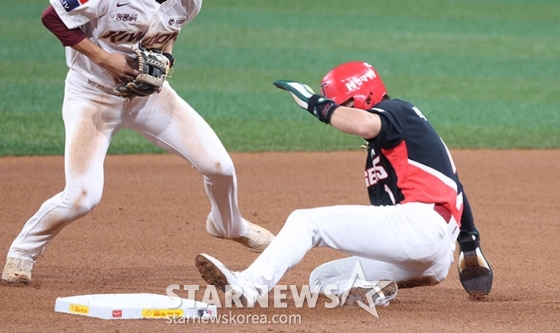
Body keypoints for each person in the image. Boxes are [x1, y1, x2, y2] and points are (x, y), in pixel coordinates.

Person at [2, 0, 274, 285]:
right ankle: (22, 253)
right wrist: (106, 60)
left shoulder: (190, 0)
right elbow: (52, 17)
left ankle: (229, 225)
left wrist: (164, 63)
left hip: (149, 98)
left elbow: (165, 41)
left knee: (220, 168)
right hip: (93, 95)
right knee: (82, 197)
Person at [195, 61, 493, 307]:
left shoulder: (396, 112)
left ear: (361, 97)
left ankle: (249, 286)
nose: (341, 113)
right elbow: (457, 188)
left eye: (343, 105)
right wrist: (469, 245)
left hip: (420, 227)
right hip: (429, 256)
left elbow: (363, 123)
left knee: (305, 222)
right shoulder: (400, 140)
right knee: (324, 279)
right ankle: (372, 293)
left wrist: (316, 104)